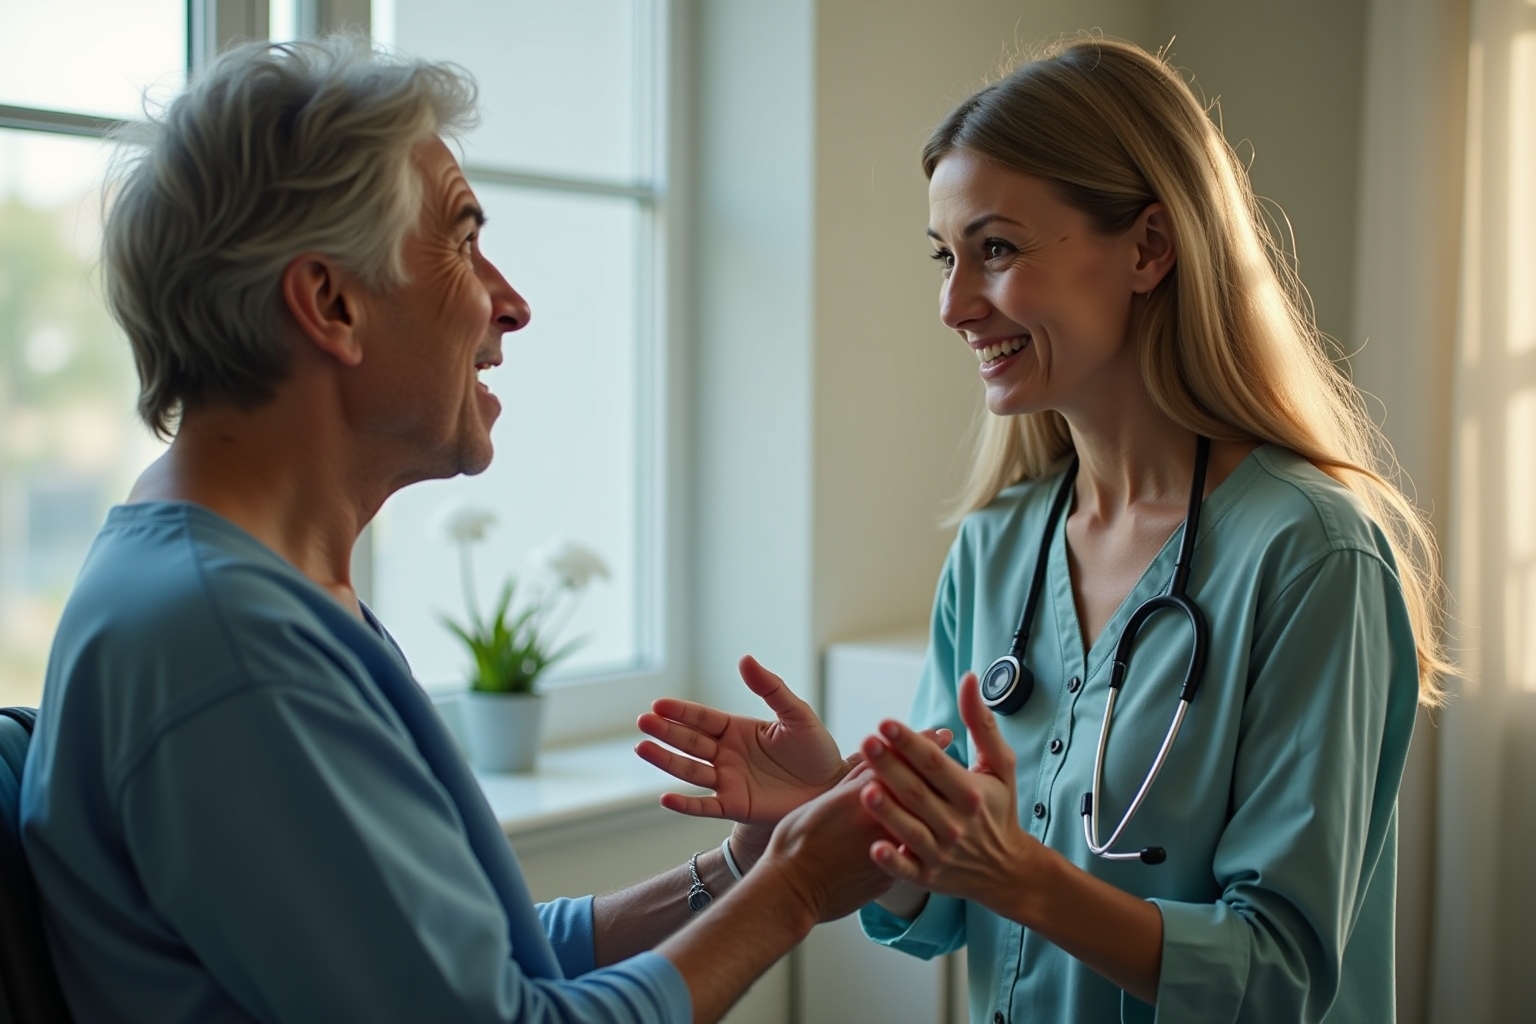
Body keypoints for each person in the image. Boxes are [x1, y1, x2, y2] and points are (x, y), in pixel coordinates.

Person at [18, 37, 895, 1024]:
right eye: (463, 240)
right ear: (331, 303)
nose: (510, 303)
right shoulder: (229, 640)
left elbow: (489, 967)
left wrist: (743, 864)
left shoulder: (254, 588)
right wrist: (793, 890)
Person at [637, 36, 1446, 1023]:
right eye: (946, 256)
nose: (953, 304)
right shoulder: (997, 550)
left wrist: (1022, 876)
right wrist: (860, 819)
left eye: (997, 249)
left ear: (1150, 247)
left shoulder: (1312, 555)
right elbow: (934, 910)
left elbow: (1280, 975)